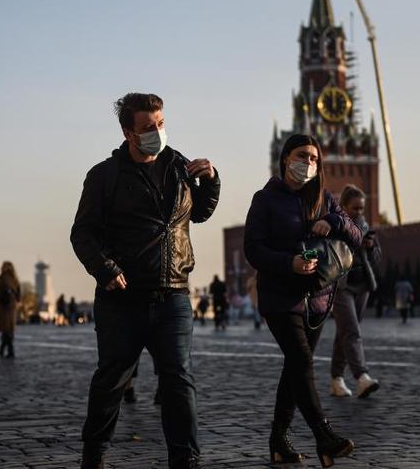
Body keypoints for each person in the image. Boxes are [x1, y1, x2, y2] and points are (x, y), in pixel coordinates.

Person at [70, 92, 220, 469]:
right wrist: (104, 269)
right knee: (112, 381)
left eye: (161, 123)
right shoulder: (104, 176)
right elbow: (82, 233)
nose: (157, 131)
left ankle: (185, 460)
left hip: (173, 295)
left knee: (178, 380)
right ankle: (95, 454)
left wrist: (212, 182)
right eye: (147, 127)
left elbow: (197, 214)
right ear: (128, 132)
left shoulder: (179, 166)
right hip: (123, 299)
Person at [244, 134, 361, 467]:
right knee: (302, 361)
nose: (308, 163)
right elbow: (253, 249)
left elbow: (355, 234)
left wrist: (333, 220)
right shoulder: (265, 200)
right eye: (301, 156)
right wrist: (288, 263)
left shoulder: (324, 198)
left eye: (313, 158)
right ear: (285, 159)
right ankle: (324, 436)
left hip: (318, 301)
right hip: (281, 298)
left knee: (294, 368)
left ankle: (279, 440)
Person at [329, 185, 381, 400]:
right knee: (351, 331)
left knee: (345, 332)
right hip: (342, 287)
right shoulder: (336, 228)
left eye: (361, 208)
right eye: (354, 208)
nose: (359, 212)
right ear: (343, 207)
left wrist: (370, 247)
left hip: (363, 287)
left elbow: (377, 257)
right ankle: (362, 377)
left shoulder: (366, 227)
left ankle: (336, 379)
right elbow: (332, 255)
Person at [0, 261, 21, 358]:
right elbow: (18, 295)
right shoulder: (15, 279)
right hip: (12, 307)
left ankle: (10, 350)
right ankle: (3, 349)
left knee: (6, 329)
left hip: (4, 307)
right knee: (9, 329)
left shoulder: (2, 278)